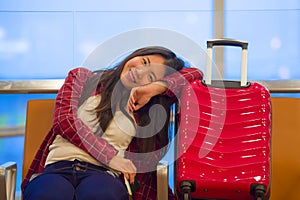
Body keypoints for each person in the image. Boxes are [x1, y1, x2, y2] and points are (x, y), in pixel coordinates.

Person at [22, 46, 203, 200]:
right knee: (49, 193)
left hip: (103, 174)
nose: (139, 71)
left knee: (100, 194)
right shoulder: (82, 78)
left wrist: (156, 87)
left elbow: (195, 75)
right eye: (144, 62)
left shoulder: (144, 110)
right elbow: (65, 121)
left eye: (150, 77)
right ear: (135, 55)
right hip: (57, 167)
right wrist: (111, 157)